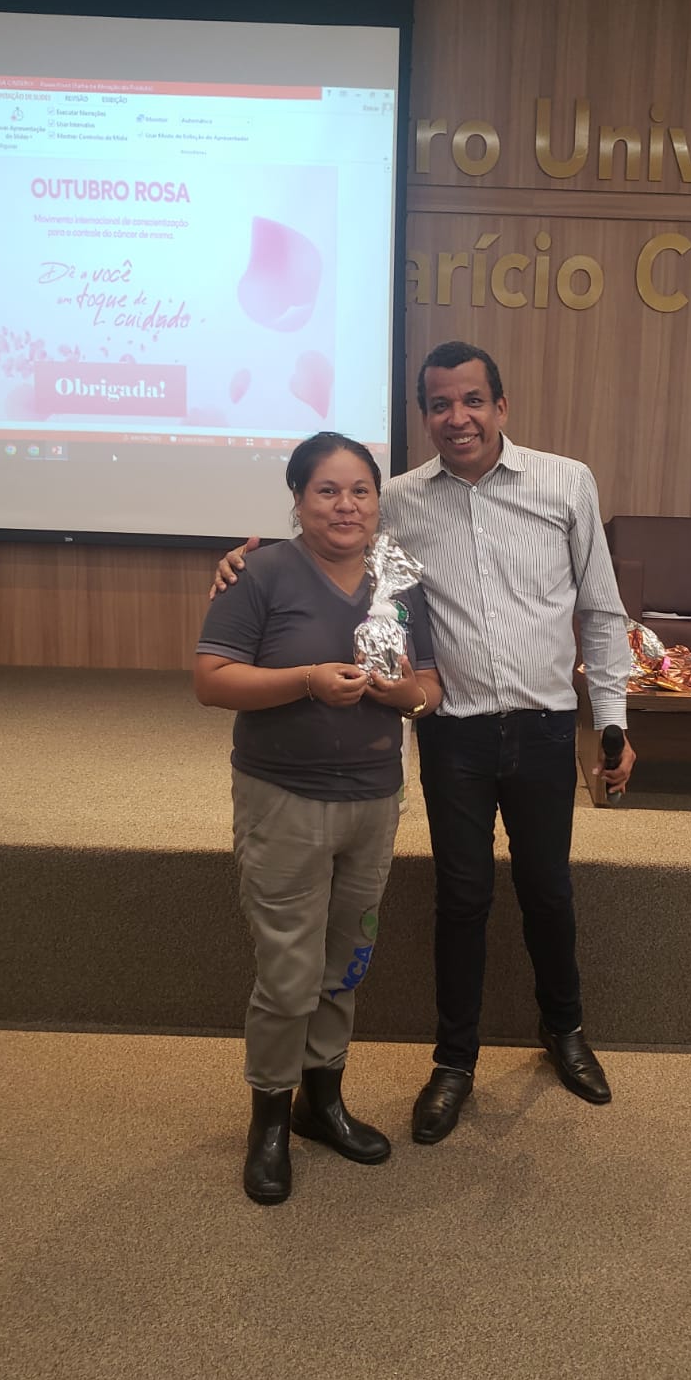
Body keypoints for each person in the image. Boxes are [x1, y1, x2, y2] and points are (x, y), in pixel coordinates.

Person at [214, 342, 635, 1146]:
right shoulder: (398, 500)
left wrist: (611, 721)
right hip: (452, 730)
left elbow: (601, 609)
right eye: (440, 404)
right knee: (462, 896)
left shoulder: (566, 483)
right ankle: (454, 1061)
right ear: (424, 416)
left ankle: (565, 1030)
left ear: (501, 406)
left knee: (548, 888)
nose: (457, 417)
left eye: (473, 400)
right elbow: (329, 542)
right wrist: (243, 559)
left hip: (545, 724)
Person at [196, 432, 442, 1205]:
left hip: (373, 800)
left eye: (360, 490)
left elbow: (429, 687)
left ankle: (322, 1101)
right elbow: (211, 680)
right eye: (327, 491)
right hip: (284, 799)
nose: (346, 505)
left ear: (378, 500)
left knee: (347, 959)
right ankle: (269, 1117)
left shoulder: (399, 578)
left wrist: (402, 695)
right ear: (298, 500)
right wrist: (306, 680)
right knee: (288, 970)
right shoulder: (261, 573)